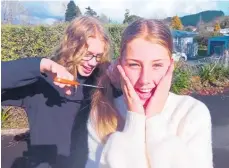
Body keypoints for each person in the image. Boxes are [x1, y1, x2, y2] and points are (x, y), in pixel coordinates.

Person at [85, 19, 213, 168]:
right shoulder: (102, 114)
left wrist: (154, 120)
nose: (144, 80)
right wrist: (135, 121)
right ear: (120, 65)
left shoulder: (191, 113)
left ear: (170, 65)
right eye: (134, 65)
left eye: (157, 65)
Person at [2, 16, 113, 168]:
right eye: (87, 54)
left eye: (98, 56)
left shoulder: (99, 83)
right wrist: (41, 65)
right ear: (71, 46)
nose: (93, 62)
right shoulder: (40, 81)